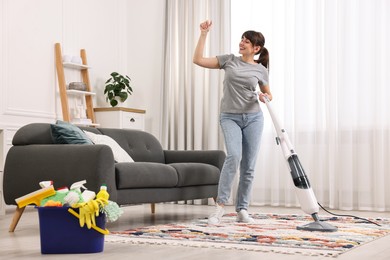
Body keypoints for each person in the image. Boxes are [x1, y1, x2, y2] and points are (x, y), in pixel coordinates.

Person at [193, 20, 272, 224]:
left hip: (254, 117)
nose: (242, 43)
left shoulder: (261, 69)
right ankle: (219, 207)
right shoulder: (229, 60)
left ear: (256, 48)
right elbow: (198, 59)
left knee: (249, 165)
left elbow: (268, 93)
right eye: (242, 39)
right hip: (230, 116)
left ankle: (242, 209)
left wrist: (266, 98)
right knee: (234, 157)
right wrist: (203, 34)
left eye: (246, 41)